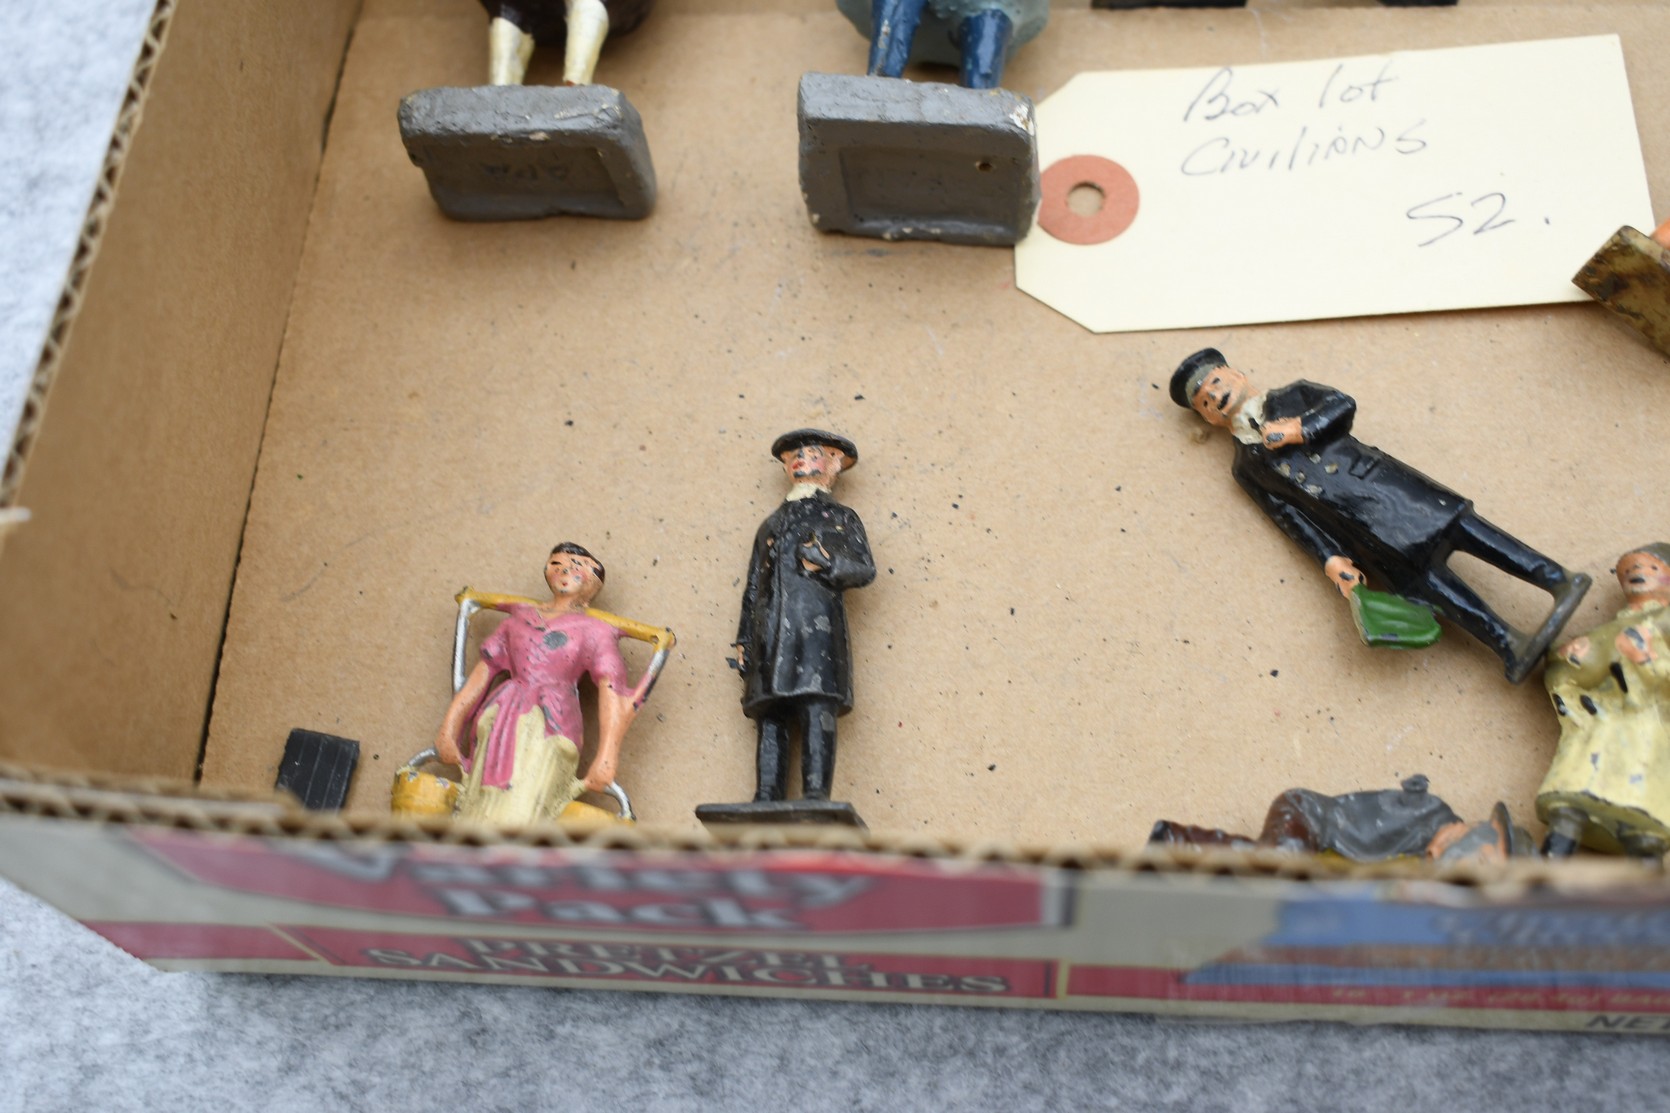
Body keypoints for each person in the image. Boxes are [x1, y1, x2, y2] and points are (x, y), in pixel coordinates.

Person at [1169, 348, 1591, 684]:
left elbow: (1342, 405)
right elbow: (1289, 517)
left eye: (1217, 383)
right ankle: (1506, 642)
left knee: (1469, 532)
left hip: (1392, 489)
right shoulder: (1247, 468)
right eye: (1205, 401)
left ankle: (1554, 578)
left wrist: (1300, 429)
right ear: (1208, 417)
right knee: (1431, 587)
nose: (1216, 396)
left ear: (1237, 374)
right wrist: (1330, 560)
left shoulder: (1293, 396)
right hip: (1361, 532)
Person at [698, 430, 876, 827]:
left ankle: (815, 793)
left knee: (816, 706)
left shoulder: (840, 518)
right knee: (771, 710)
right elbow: (753, 587)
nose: (800, 460)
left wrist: (827, 563)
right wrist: (745, 638)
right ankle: (767, 793)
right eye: (794, 455)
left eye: (811, 454)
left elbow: (864, 568)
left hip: (816, 632)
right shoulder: (771, 524)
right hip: (771, 633)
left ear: (833, 463)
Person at [433, 543, 649, 825]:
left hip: (552, 724)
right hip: (500, 718)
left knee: (524, 809)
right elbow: (481, 675)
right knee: (478, 806)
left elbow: (613, 692)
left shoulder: (595, 630)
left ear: (594, 579)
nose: (565, 571)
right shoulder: (519, 619)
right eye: (557, 564)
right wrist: (449, 728)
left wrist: (607, 756)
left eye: (577, 566)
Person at [1539, 543, 1670, 859]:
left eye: (1651, 567)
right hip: (1600, 724)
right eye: (1628, 570)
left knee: (1641, 816)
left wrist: (1647, 660)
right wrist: (1568, 658)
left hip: (1649, 729)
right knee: (1570, 802)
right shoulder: (1614, 627)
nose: (1637, 573)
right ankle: (1551, 860)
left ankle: (1647, 864)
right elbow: (1573, 673)